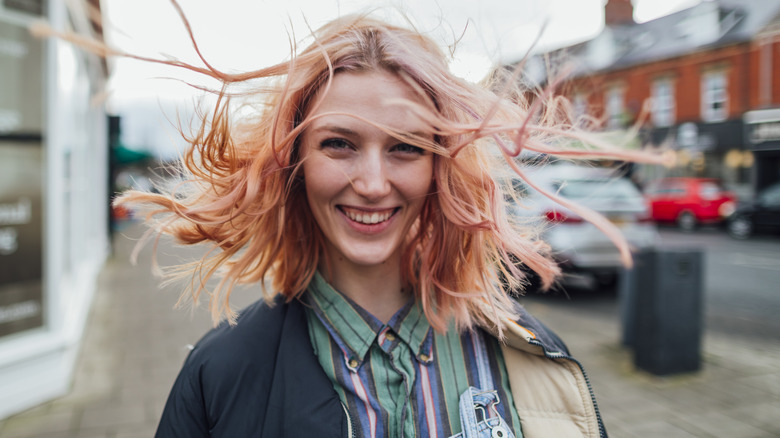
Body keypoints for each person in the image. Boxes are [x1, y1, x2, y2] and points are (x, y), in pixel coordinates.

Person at [59, 4, 660, 437]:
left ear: (439, 168)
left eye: (404, 148)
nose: (373, 183)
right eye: (340, 144)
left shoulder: (532, 359)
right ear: (295, 164)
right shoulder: (220, 376)